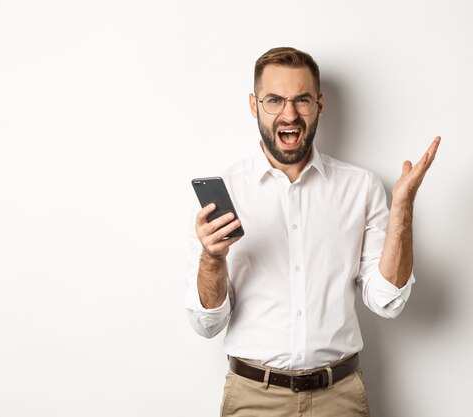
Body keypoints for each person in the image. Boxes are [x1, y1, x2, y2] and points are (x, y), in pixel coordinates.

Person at [186, 47, 440, 417]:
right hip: (254, 398)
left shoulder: (361, 187)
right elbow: (206, 324)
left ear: (319, 105)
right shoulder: (226, 191)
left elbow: (387, 300)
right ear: (254, 105)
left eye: (301, 100)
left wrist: (402, 205)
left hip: (339, 397)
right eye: (274, 100)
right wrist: (212, 258)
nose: (289, 115)